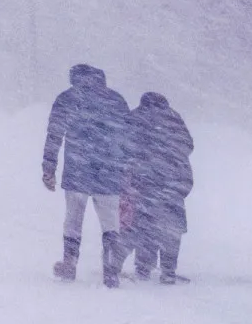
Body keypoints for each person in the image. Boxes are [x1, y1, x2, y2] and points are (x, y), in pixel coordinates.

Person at [41, 63, 131, 287]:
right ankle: (110, 269)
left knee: (73, 219)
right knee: (110, 223)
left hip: (77, 169)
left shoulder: (67, 99)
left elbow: (54, 135)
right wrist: (128, 169)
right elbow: (129, 138)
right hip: (109, 171)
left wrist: (49, 167)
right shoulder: (116, 100)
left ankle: (69, 263)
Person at [122, 91, 193, 284]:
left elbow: (124, 148)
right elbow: (188, 146)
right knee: (171, 228)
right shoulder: (174, 118)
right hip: (175, 181)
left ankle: (143, 268)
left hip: (145, 181)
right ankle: (168, 270)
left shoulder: (136, 117)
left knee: (145, 224)